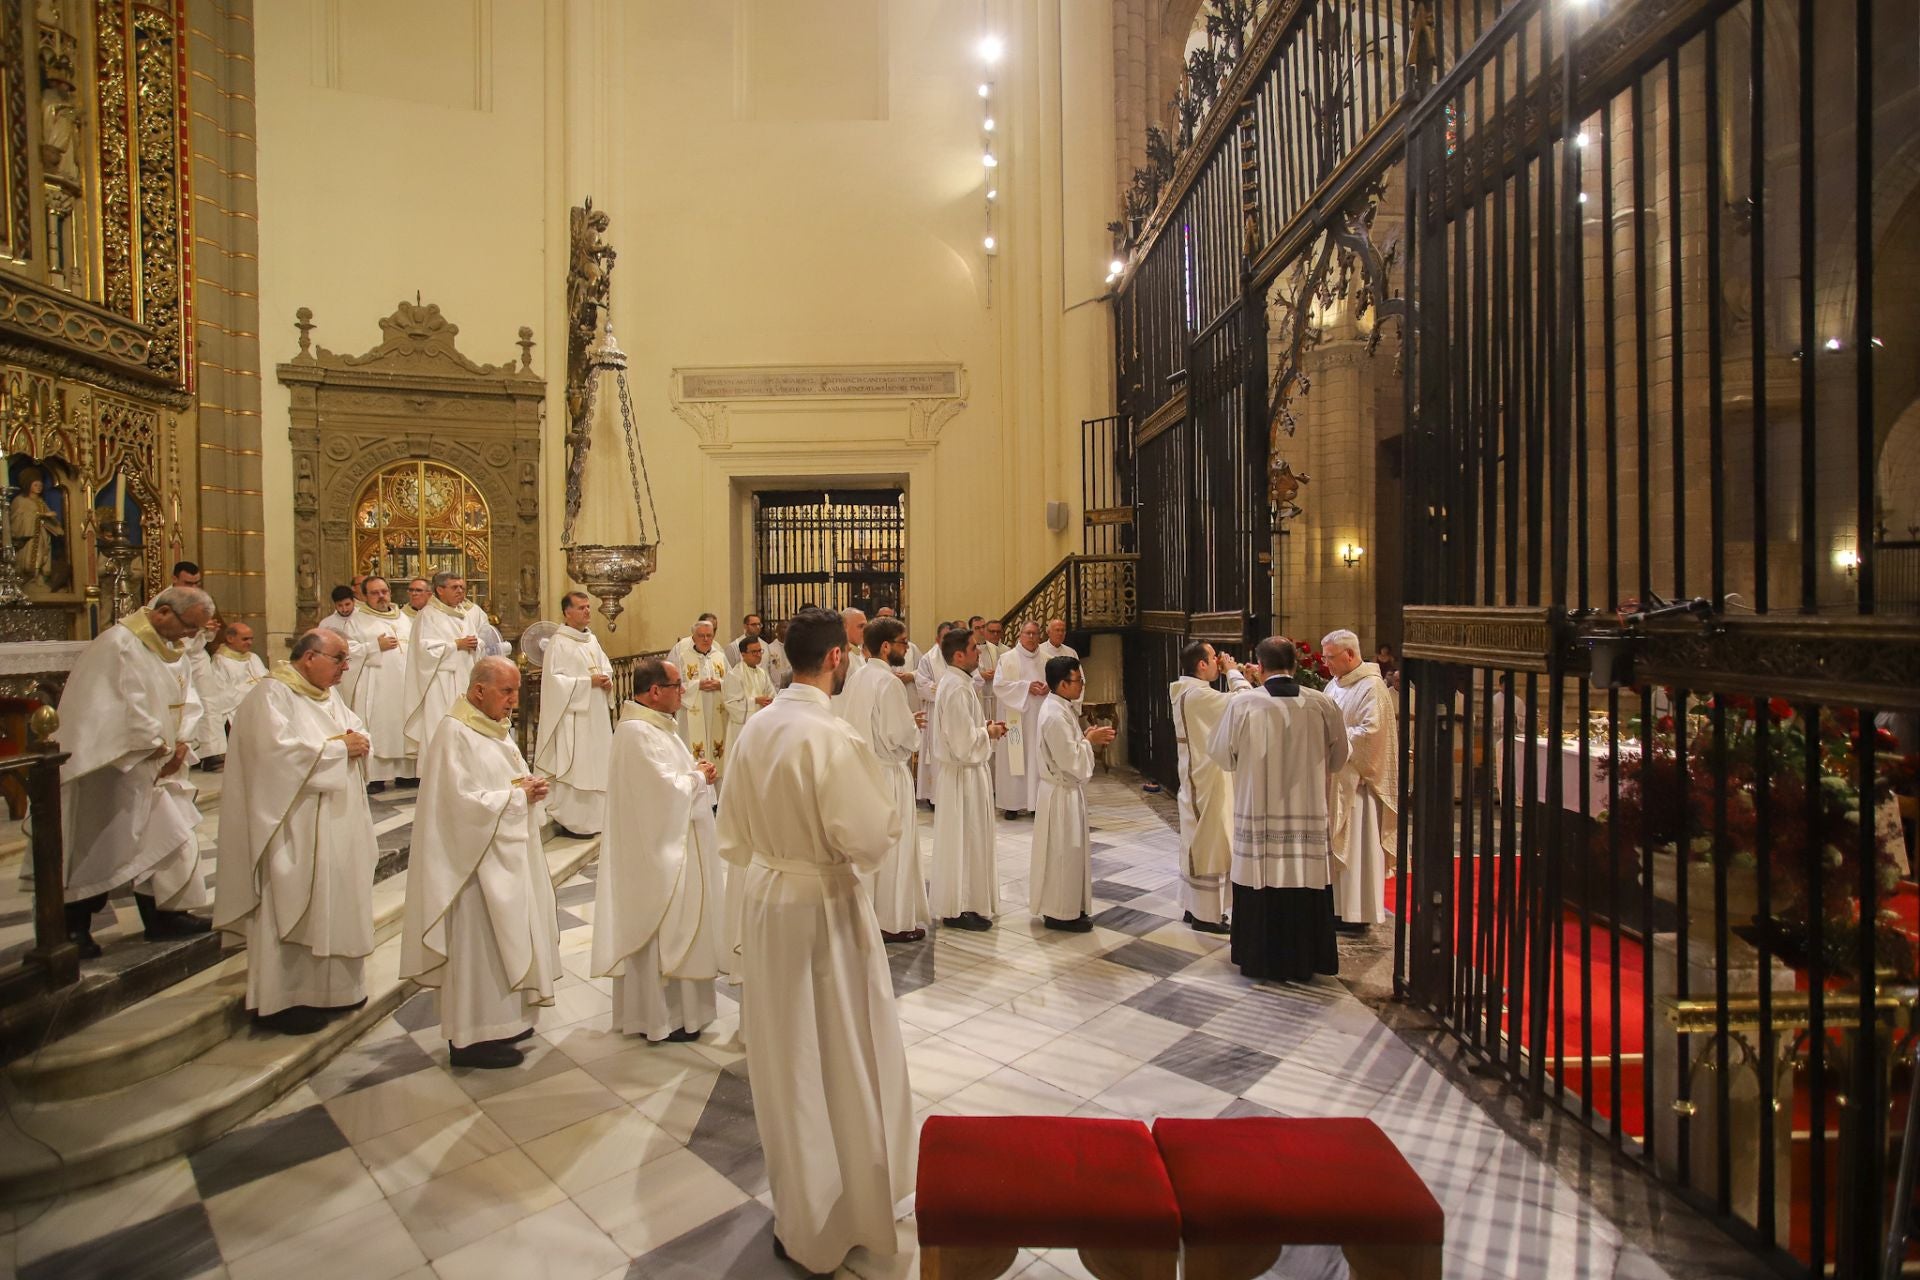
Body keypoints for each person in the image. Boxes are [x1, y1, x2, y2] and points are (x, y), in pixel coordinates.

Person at [715, 606, 911, 1275]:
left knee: (785, 1060)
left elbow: (732, 831)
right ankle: (841, 1213)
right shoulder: (832, 737)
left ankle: (801, 1212)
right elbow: (870, 838)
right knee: (839, 1054)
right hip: (824, 903)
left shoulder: (757, 728)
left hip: (768, 901)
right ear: (836, 658)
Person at [213, 629, 378, 1034]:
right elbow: (275, 755)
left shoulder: (326, 692)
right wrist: (341, 749)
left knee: (337, 898)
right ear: (309, 658)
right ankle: (285, 1000)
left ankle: (336, 990)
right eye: (339, 659)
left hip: (337, 820)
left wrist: (356, 741)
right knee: (294, 904)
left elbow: (354, 728)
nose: (346, 667)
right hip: (292, 825)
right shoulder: (270, 697)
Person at [400, 657, 561, 1069]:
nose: (513, 701)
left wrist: (527, 789)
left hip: (502, 857)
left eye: (515, 692)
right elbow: (457, 807)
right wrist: (514, 798)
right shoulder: (454, 733)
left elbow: (500, 783)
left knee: (503, 945)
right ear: (478, 691)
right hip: (470, 871)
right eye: (506, 692)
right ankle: (471, 1040)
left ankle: (503, 1025)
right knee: (479, 953)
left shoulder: (493, 730)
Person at [55, 586, 217, 956]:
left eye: (199, 630)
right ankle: (73, 927)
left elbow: (187, 701)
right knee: (100, 844)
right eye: (190, 626)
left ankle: (163, 916)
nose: (192, 636)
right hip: (115, 766)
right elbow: (121, 705)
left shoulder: (173, 649)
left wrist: (181, 743)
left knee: (165, 839)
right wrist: (159, 748)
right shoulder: (119, 645)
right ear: (163, 613)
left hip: (161, 766)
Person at [1204, 637, 1348, 982]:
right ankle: (1305, 961)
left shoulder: (1245, 704)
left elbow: (1222, 755)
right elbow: (1340, 757)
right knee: (1304, 882)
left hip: (1259, 811)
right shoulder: (1322, 704)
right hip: (1307, 812)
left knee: (1260, 883)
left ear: (1261, 667)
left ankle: (1259, 960)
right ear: (1295, 665)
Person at [595, 657, 723, 1043]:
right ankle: (660, 1018)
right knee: (664, 928)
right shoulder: (636, 732)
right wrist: (698, 778)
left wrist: (695, 774)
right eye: (676, 686)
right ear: (654, 692)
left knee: (680, 926)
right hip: (655, 857)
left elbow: (671, 780)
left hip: (673, 844)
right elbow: (661, 793)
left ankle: (684, 1015)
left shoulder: (658, 727)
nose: (682, 692)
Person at [839, 617, 931, 942]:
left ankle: (868, 917)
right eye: (903, 642)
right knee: (894, 848)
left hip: (864, 772)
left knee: (869, 849)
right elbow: (899, 737)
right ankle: (893, 922)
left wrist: (905, 721)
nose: (907, 647)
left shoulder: (857, 678)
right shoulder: (889, 682)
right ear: (886, 646)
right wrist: (914, 731)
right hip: (889, 776)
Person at [1169, 640, 1250, 934]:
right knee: (1210, 842)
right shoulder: (1198, 694)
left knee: (1199, 840)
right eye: (1215, 658)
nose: (1219, 661)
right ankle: (1206, 915)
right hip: (1207, 779)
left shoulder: (1189, 690)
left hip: (1201, 774)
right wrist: (1234, 673)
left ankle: (1195, 907)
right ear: (1201, 665)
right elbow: (1246, 705)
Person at [1028, 655, 1113, 932]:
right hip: (1060, 795)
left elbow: (1069, 749)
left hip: (1065, 792)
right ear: (1063, 684)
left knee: (1070, 852)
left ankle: (1068, 908)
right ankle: (1059, 913)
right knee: (1062, 854)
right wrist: (1089, 741)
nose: (1082, 685)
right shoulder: (1054, 714)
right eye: (1079, 680)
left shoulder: (1061, 707)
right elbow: (1070, 761)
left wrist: (1084, 738)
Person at [931, 627, 1006, 931]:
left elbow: (962, 731)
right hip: (963, 774)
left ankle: (969, 902)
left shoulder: (957, 682)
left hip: (965, 773)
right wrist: (988, 732)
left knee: (970, 838)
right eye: (975, 648)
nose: (980, 652)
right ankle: (960, 906)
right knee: (966, 839)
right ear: (959, 655)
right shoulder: (957, 687)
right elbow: (962, 743)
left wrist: (983, 727)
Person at [1323, 630, 1397, 931]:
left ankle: (1357, 913)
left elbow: (1371, 734)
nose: (1326, 663)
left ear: (1350, 655)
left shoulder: (1372, 687)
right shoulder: (1334, 684)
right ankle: (1336, 908)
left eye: (1330, 657)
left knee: (1357, 851)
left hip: (1358, 786)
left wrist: (1333, 738)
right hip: (1335, 781)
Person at [533, 591, 614, 837]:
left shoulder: (592, 640)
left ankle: (598, 819)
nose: (587, 612)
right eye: (581, 608)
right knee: (578, 764)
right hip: (573, 719)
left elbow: (606, 667)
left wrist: (607, 679)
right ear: (567, 612)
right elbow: (554, 683)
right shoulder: (559, 643)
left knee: (597, 763)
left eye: (588, 607)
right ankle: (574, 819)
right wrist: (587, 682)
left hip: (596, 715)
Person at [340, 576, 412, 790]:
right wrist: (374, 646)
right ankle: (377, 776)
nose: (381, 596)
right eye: (374, 593)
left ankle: (406, 774)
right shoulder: (356, 621)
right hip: (376, 684)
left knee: (403, 723)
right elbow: (347, 651)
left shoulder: (404, 619)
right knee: (380, 725)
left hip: (405, 683)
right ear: (364, 596)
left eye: (384, 591)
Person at [402, 571, 483, 758]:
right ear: (440, 590)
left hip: (465, 679)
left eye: (462, 587)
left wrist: (476, 644)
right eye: (455, 587)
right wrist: (456, 645)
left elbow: (476, 640)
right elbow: (424, 651)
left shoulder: (464, 614)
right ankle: (438, 771)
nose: (460, 591)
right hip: (440, 682)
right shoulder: (427, 615)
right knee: (441, 725)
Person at [991, 621, 1048, 819]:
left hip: (1038, 717)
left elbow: (1055, 684)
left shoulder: (1047, 660)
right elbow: (999, 686)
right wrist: (1026, 687)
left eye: (1035, 634)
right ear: (1020, 635)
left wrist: (1047, 688)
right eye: (1028, 633)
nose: (1031, 637)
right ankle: (1012, 804)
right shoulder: (1007, 659)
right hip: (1015, 718)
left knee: (1036, 757)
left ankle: (1036, 803)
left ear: (1040, 636)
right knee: (1014, 760)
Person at [197, 621, 269, 771]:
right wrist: (248, 691)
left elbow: (265, 678)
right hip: (237, 703)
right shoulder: (220, 660)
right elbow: (219, 691)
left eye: (251, 639)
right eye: (245, 639)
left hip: (259, 699)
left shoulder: (253, 657)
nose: (249, 643)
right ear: (230, 639)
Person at [678, 617, 730, 772]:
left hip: (717, 710)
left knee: (718, 753)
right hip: (693, 711)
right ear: (693, 637)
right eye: (702, 636)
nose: (706, 639)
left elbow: (733, 683)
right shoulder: (683, 657)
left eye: (709, 635)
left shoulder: (720, 656)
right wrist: (697, 684)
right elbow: (676, 686)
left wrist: (720, 684)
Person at [913, 621, 953, 806]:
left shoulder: (960, 656)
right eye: (945, 638)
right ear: (937, 639)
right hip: (935, 710)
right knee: (936, 755)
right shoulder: (928, 659)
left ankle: (953, 793)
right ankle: (935, 796)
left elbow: (974, 679)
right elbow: (922, 685)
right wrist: (948, 689)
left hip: (955, 712)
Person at [10, 469, 60, 586]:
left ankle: (38, 577)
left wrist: (52, 522)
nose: (39, 487)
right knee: (29, 559)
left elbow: (48, 516)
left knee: (42, 555)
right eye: (35, 485)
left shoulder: (40, 501)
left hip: (41, 535)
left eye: (41, 485)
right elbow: (16, 519)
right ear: (28, 485)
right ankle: (28, 579)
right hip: (28, 537)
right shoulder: (20, 501)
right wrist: (39, 515)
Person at [722, 635, 776, 741]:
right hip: (741, 728)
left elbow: (772, 695)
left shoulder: (762, 673)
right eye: (754, 652)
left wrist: (770, 700)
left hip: (761, 725)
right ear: (743, 655)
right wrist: (755, 701)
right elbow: (731, 704)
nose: (758, 655)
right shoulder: (734, 675)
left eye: (760, 651)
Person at [316, 586, 362, 699]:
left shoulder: (363, 619)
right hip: (337, 669)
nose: (344, 609)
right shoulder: (326, 623)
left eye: (347, 604)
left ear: (353, 601)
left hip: (360, 668)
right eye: (339, 606)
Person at [763, 618, 792, 690]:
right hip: (775, 688)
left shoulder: (795, 648)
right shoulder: (769, 648)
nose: (787, 630)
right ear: (777, 630)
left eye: (789, 627)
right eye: (784, 627)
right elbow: (765, 670)